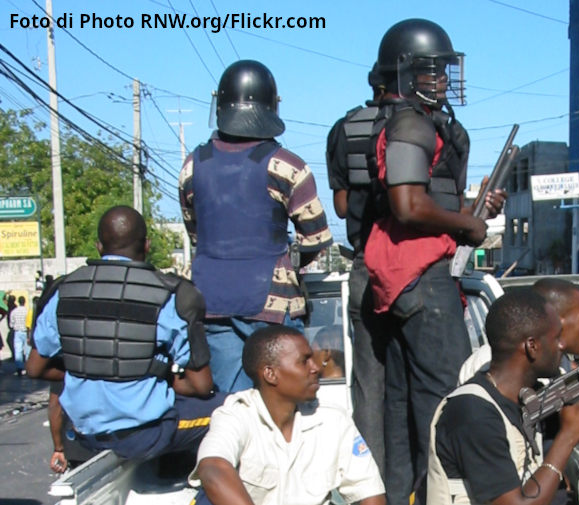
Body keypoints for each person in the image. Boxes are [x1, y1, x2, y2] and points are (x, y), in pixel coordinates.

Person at [363, 19, 506, 504]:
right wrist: (466, 225)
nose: (442, 78)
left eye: (444, 69)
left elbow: (425, 203)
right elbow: (407, 205)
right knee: (444, 403)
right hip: (421, 279)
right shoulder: (409, 122)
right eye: (430, 70)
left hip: (408, 279)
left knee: (405, 406)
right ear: (403, 73)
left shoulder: (418, 121)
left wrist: (471, 212)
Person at [179, 59, 333, 393]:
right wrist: (292, 263)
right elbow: (316, 239)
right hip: (273, 306)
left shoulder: (193, 165)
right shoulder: (286, 165)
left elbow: (196, 234)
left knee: (232, 408)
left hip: (212, 301)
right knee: (283, 405)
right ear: (270, 106)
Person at [26, 206, 225, 460]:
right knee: (237, 410)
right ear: (147, 245)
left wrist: (93, 366)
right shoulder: (172, 295)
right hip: (145, 435)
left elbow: (35, 368)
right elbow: (201, 385)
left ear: (99, 246)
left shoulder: (62, 290)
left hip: (85, 435)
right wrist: (157, 373)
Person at [427, 288, 579, 505]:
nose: (562, 346)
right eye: (556, 338)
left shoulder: (532, 398)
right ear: (532, 346)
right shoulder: (472, 413)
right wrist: (567, 437)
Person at [189, 325, 385, 505]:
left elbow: (368, 490)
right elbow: (213, 469)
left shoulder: (333, 419)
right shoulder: (237, 415)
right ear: (270, 374)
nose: (315, 367)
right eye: (304, 361)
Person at [325, 63, 387, 470]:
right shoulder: (429, 125)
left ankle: (372, 484)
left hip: (369, 262)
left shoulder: (344, 129)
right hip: (424, 270)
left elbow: (343, 206)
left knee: (369, 386)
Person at [10, 296, 29, 376]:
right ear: (24, 302)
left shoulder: (14, 311)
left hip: (17, 332)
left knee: (18, 350)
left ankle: (19, 367)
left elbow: (11, 324)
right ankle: (28, 367)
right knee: (27, 350)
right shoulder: (27, 311)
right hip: (26, 332)